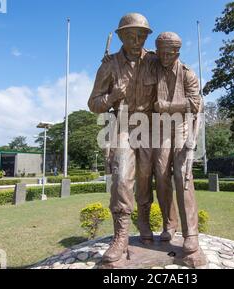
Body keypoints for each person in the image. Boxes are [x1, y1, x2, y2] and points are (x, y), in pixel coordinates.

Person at [88, 13, 163, 263]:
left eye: (141, 35)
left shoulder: (154, 61)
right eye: (131, 35)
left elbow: (175, 73)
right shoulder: (109, 65)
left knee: (145, 176)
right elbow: (93, 103)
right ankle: (120, 236)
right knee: (121, 177)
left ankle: (143, 222)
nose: (136, 40)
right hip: (122, 124)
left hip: (151, 125)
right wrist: (111, 97)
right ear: (120, 36)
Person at [152, 32, 203, 254]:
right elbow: (134, 54)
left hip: (182, 127)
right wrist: (110, 59)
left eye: (168, 53)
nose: (163, 57)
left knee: (183, 175)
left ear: (177, 53)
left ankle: (191, 233)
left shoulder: (187, 74)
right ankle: (169, 224)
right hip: (159, 129)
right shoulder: (152, 65)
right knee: (161, 175)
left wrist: (168, 106)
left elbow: (195, 103)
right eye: (160, 52)